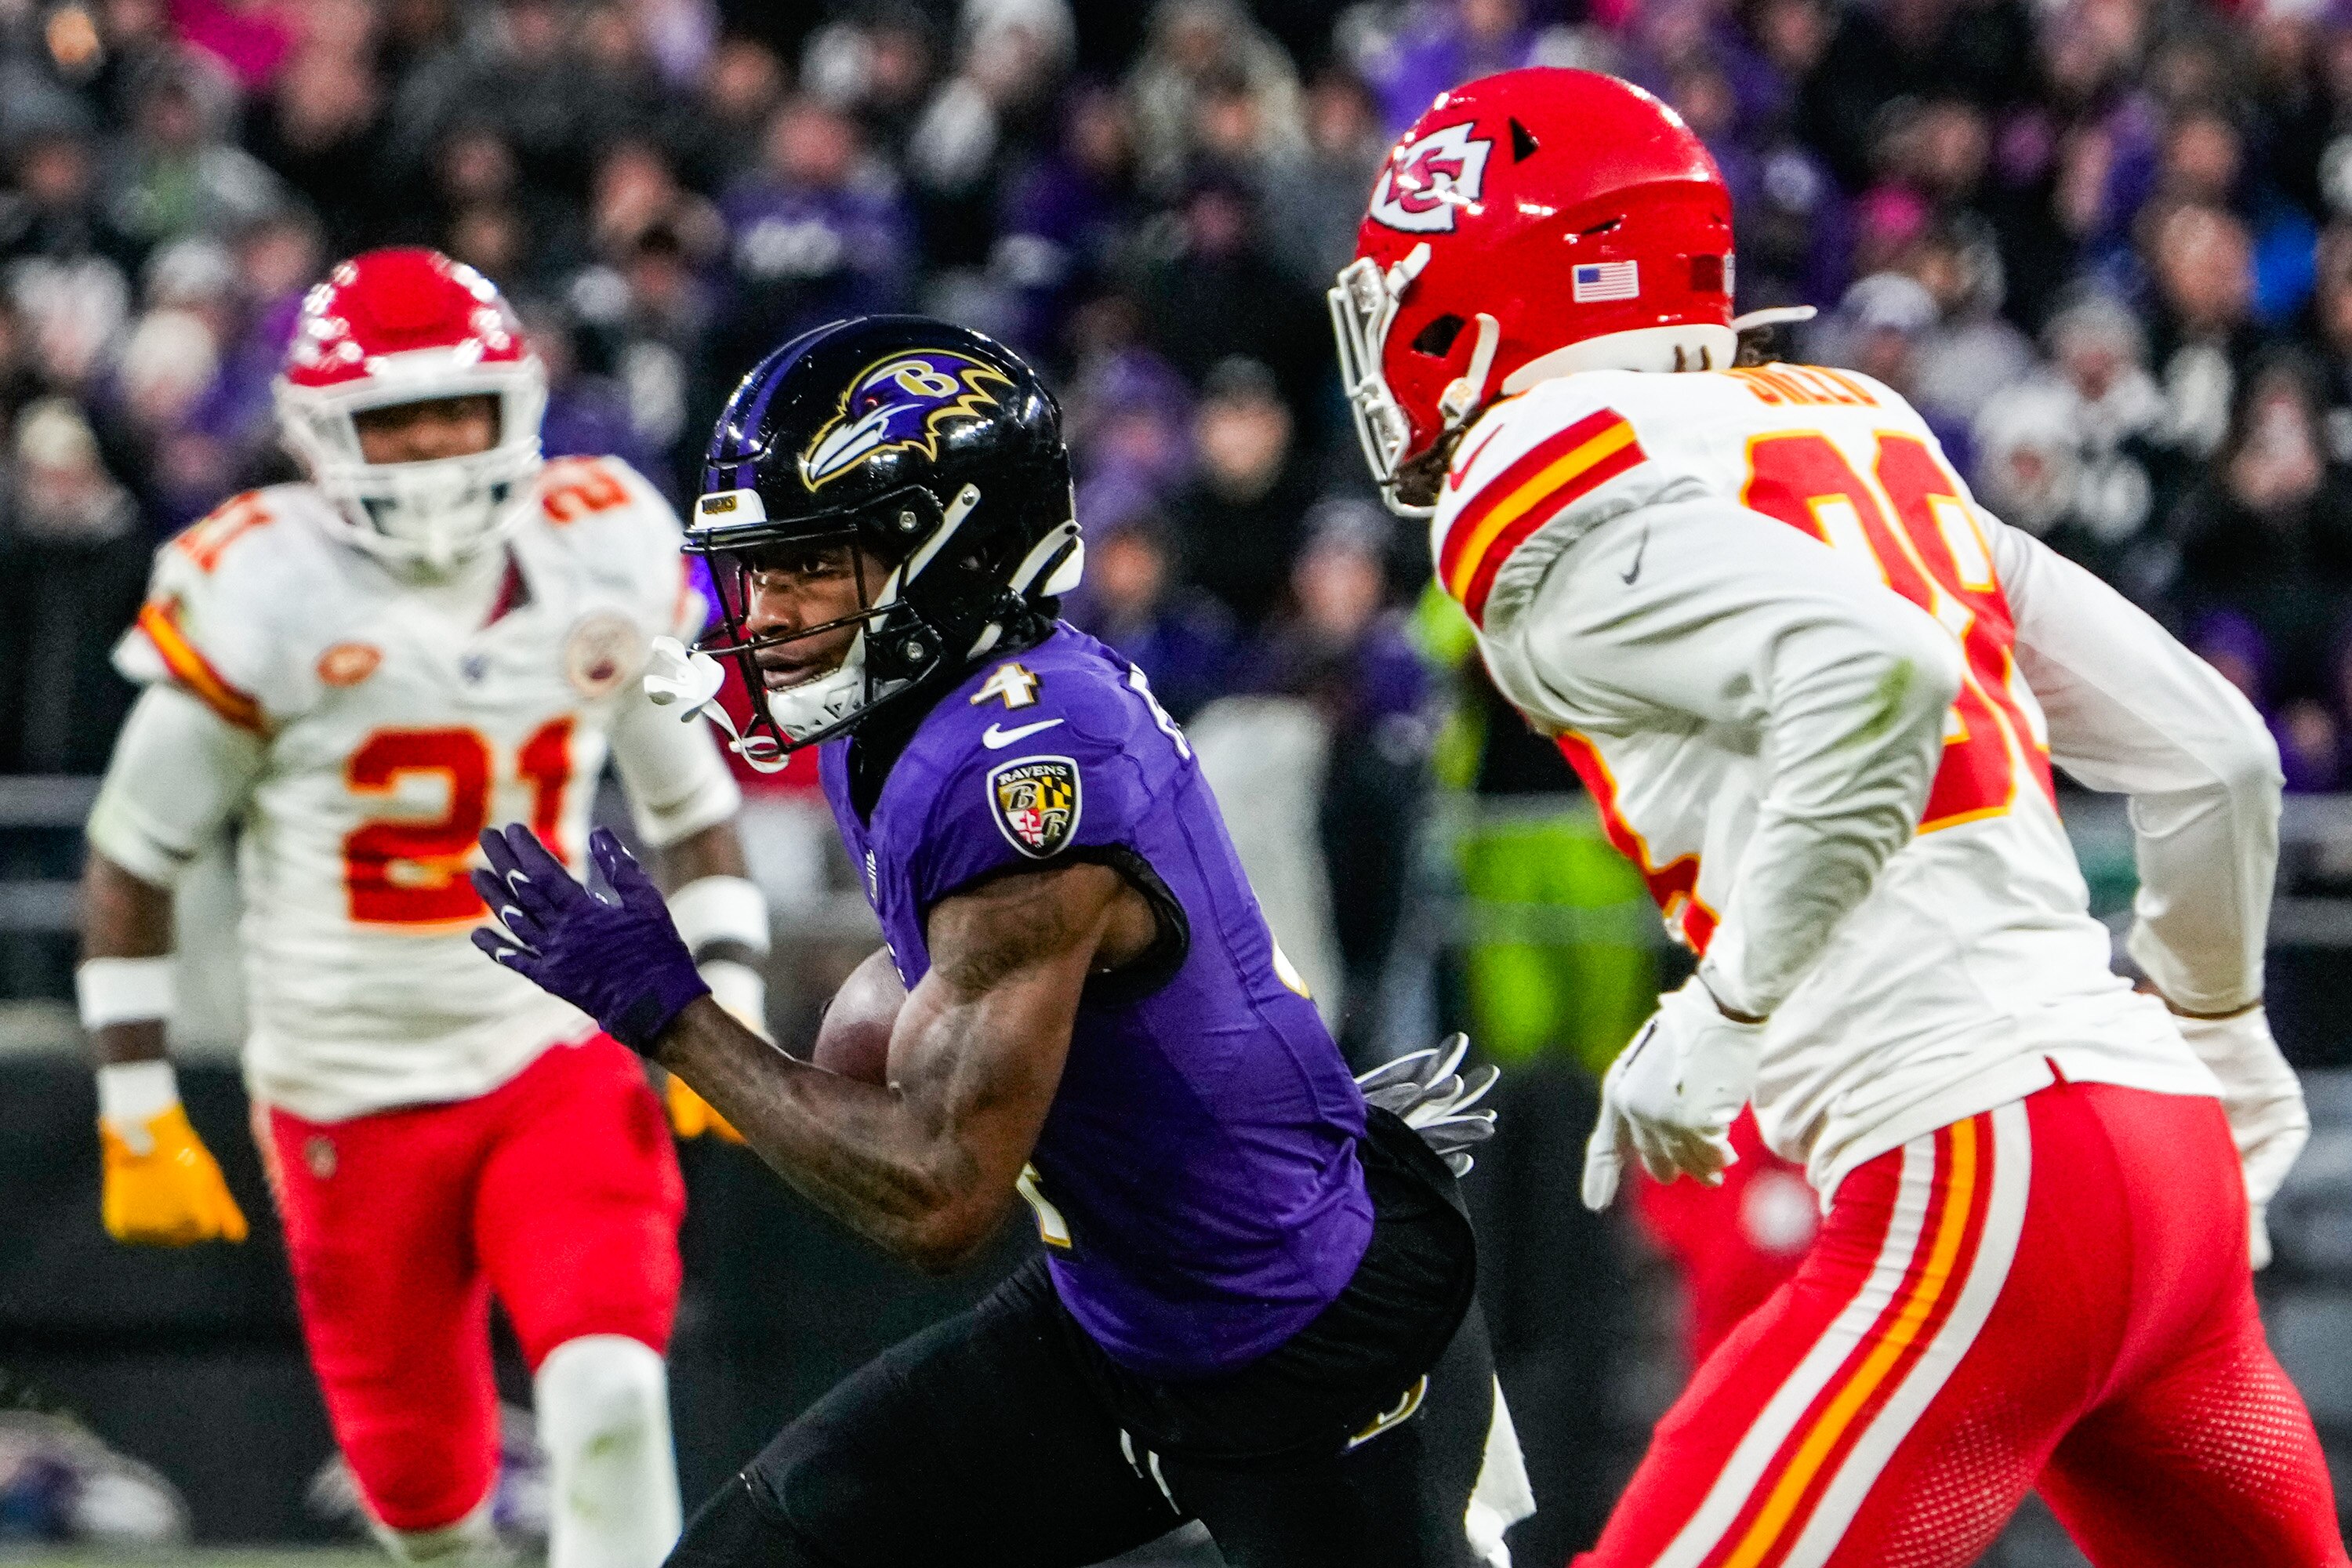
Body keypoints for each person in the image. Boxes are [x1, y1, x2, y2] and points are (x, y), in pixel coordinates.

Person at [1330, 67, 2347, 1566]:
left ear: (1502, 284)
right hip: (2157, 1147)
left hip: (1975, 1165)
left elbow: (1884, 677)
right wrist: (2229, 1041)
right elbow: (2214, 756)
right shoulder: (1860, 418)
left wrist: (1724, 1009)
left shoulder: (1536, 469)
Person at [468, 314, 1535, 1568]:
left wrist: (676, 1015)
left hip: (1295, 1350)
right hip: (1119, 1323)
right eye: (755, 569)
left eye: (810, 565)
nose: (765, 611)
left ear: (951, 553)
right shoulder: (914, 715)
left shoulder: (1024, 771)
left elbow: (936, 1199)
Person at [78, 248, 764, 1568]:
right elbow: (133, 852)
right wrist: (135, 1106)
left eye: (458, 410)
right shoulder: (263, 586)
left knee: (615, 1396)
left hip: (553, 1054)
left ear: (517, 405)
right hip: (342, 1087)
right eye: (397, 421)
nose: (437, 449)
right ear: (321, 436)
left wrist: (725, 1003)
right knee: (427, 1514)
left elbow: (695, 805)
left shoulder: (598, 544)